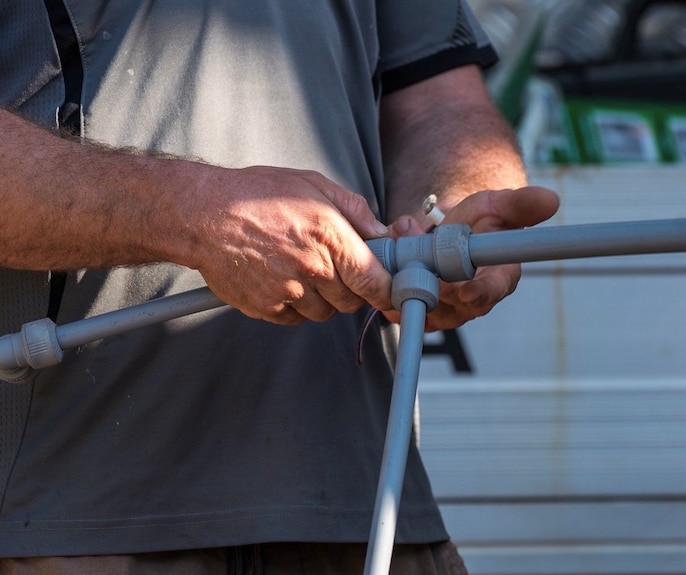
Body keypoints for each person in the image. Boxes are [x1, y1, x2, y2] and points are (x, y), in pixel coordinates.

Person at [0, 1, 559, 573]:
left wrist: (448, 220)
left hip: (370, 510)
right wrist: (192, 213)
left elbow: (438, 104)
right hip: (64, 519)